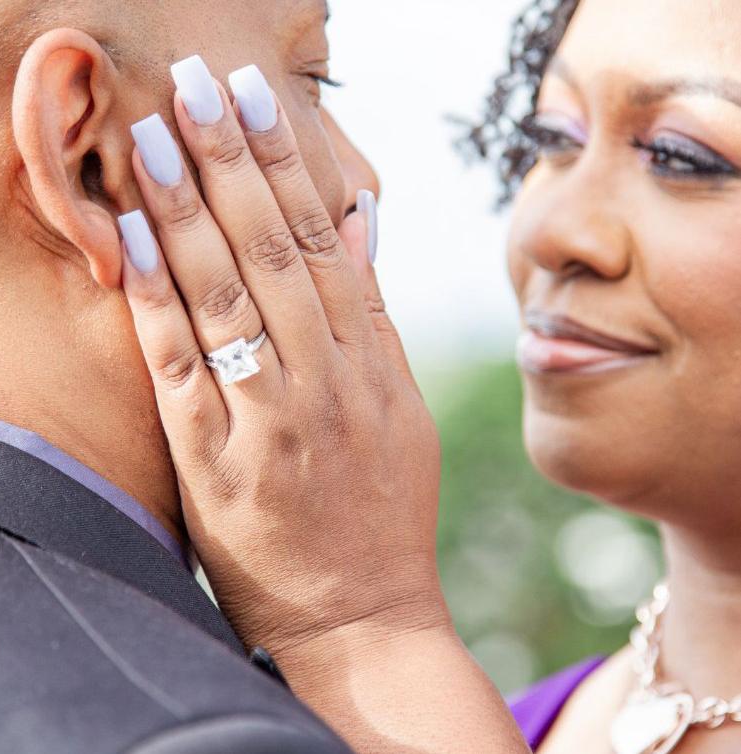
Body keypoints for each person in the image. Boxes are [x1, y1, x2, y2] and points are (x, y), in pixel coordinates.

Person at [116, 0, 741, 753]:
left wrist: (358, 624)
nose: (546, 230)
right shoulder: (518, 722)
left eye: (679, 156)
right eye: (552, 138)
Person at [0, 0, 376, 752]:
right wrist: (362, 621)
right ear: (86, 155)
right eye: (311, 78)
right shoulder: (197, 734)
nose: (364, 179)